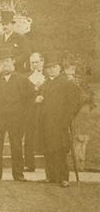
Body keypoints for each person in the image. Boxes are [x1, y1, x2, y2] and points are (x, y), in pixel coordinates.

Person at [0, 48, 34, 181]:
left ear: (13, 62)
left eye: (7, 61)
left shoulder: (23, 80)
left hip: (16, 118)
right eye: (2, 62)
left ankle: (18, 174)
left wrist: (22, 113)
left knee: (16, 145)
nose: (5, 64)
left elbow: (30, 99)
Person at [38, 56, 81, 187]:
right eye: (48, 68)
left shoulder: (67, 83)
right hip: (46, 122)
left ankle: (63, 177)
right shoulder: (44, 84)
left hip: (60, 123)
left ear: (59, 68)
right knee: (48, 149)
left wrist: (65, 120)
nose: (51, 70)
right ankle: (51, 176)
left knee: (60, 150)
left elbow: (74, 105)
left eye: (54, 67)